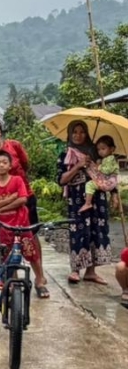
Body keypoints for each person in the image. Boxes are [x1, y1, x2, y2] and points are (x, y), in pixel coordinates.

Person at [0, 149, 49, 298]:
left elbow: (23, 199)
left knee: (32, 253)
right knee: (7, 255)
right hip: (4, 228)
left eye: (4, 162)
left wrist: (0, 206)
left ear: (10, 165)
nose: (1, 165)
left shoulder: (17, 180)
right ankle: (13, 281)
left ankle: (40, 280)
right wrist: (9, 200)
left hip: (22, 225)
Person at [58, 119, 113, 284]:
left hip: (97, 199)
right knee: (78, 233)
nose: (78, 135)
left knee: (97, 231)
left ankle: (91, 271)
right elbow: (61, 180)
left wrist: (114, 193)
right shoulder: (65, 154)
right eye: (75, 132)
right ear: (70, 134)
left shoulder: (97, 153)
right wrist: (78, 166)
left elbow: (108, 175)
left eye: (82, 132)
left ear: (87, 134)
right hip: (76, 201)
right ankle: (75, 270)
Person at [79, 136, 119, 214]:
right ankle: (114, 197)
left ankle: (87, 203)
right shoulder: (106, 159)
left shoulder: (110, 158)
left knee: (90, 184)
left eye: (103, 149)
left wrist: (99, 166)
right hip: (110, 182)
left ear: (112, 149)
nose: (100, 151)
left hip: (107, 182)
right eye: (98, 149)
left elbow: (107, 170)